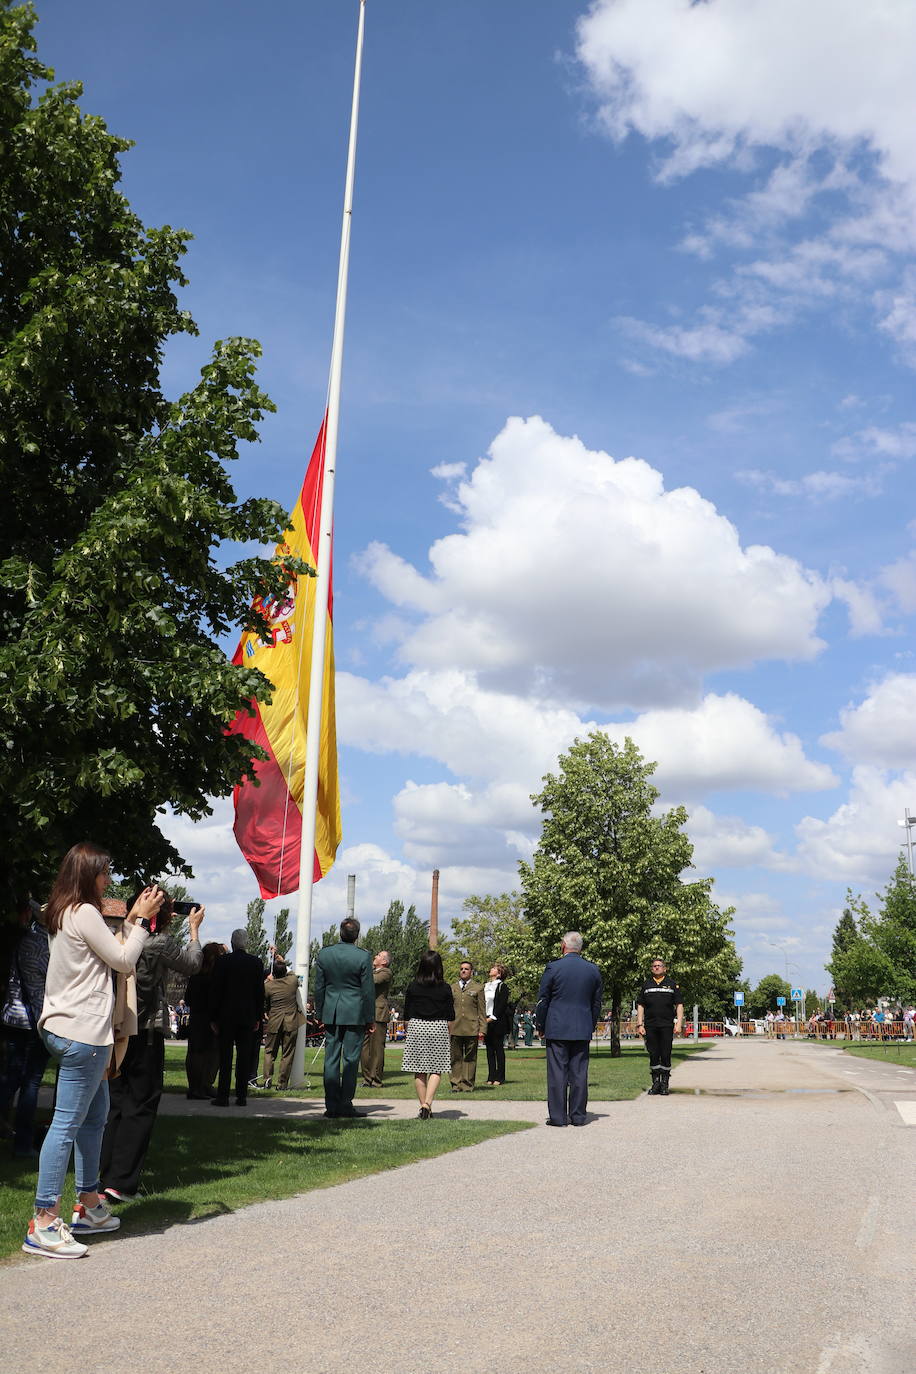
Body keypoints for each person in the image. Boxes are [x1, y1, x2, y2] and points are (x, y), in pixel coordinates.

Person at [23, 842, 163, 1259]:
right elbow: (123, 959)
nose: (108, 880)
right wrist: (141, 923)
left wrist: (135, 916)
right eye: (104, 873)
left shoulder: (61, 911)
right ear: (88, 875)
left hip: (68, 1028)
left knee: (95, 1118)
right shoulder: (83, 911)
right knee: (66, 1125)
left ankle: (89, 1205)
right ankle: (44, 1220)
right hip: (84, 1033)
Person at [99, 895, 203, 1203]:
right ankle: (120, 1182)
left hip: (115, 1031)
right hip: (144, 1031)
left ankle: (100, 1175)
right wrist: (194, 931)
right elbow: (193, 964)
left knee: (113, 1105)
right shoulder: (158, 943)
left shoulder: (114, 935)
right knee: (140, 1106)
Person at [535, 932, 603, 1127]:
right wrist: (590, 1024)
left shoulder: (553, 967)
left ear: (563, 946)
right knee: (579, 1073)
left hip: (557, 1027)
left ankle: (558, 1117)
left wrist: (541, 1025)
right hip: (582, 1027)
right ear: (580, 948)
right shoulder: (593, 970)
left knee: (558, 1073)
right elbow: (596, 1003)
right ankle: (579, 1116)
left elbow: (543, 1001)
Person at [0, 897, 49, 1158]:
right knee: (31, 1081)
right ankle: (22, 1144)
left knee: (12, 1077)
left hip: (13, 1016)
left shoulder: (22, 938)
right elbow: (41, 991)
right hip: (33, 1020)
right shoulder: (43, 945)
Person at [314, 918, 374, 1119]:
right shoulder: (363, 957)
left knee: (331, 1059)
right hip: (355, 1012)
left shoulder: (325, 954)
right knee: (350, 1060)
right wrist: (370, 1018)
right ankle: (346, 1104)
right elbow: (367, 991)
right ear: (357, 935)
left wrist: (320, 1013)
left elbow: (319, 987)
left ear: (340, 933)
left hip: (331, 1011)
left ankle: (331, 1106)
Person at [209, 929, 265, 1107]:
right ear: (246, 943)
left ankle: (223, 1096)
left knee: (225, 1057)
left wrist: (213, 1017)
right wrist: (258, 1016)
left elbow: (216, 990)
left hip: (226, 1016)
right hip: (247, 1016)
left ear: (232, 943)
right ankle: (242, 1096)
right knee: (244, 1057)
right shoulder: (256, 963)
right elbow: (259, 992)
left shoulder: (223, 962)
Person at [402, 950, 455, 1118]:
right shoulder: (445, 988)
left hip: (417, 1026)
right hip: (438, 1027)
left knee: (418, 1070)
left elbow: (406, 1013)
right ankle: (427, 1104)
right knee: (436, 1069)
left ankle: (423, 1105)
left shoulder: (413, 986)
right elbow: (450, 1015)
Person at [635, 957, 684, 1096]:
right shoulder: (646, 985)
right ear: (652, 969)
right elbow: (640, 1005)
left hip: (667, 1025)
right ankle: (655, 1082)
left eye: (659, 965)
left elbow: (679, 1005)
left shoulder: (672, 984)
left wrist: (679, 1023)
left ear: (665, 968)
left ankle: (665, 1084)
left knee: (666, 1054)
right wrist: (640, 1023)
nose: (656, 968)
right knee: (654, 1054)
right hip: (650, 1026)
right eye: (654, 966)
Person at [184, 941, 224, 1098]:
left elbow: (188, 998)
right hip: (209, 1020)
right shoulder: (213, 977)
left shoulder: (196, 975)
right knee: (210, 1054)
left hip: (196, 1018)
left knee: (194, 1054)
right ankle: (204, 1085)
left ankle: (195, 1086)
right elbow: (216, 1000)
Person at [262, 955, 305, 1091]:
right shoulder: (292, 981)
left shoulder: (268, 986)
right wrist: (283, 961)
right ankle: (282, 1084)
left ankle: (267, 1079)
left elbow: (264, 1003)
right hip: (291, 1022)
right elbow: (291, 972)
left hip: (274, 1021)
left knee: (269, 1052)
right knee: (287, 1054)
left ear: (273, 973)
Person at [449, 959, 486, 1092]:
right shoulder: (452, 987)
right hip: (454, 1028)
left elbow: (482, 1011)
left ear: (471, 972)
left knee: (470, 1058)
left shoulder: (478, 987)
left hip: (471, 1028)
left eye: (466, 969)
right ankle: (456, 1084)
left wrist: (483, 1029)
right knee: (455, 1058)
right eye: (461, 969)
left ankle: (467, 1084)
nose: (463, 971)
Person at [360, 950, 392, 1088]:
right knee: (364, 1048)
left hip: (378, 1014)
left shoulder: (385, 972)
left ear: (384, 961)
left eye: (378, 956)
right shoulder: (372, 972)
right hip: (366, 1013)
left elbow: (371, 982)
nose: (375, 957)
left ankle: (376, 1080)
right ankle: (367, 1079)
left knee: (377, 1049)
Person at [483, 963, 511, 1086]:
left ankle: (500, 1077)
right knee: (489, 1050)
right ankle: (491, 1076)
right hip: (486, 1019)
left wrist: (493, 1017)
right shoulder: (486, 985)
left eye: (494, 968)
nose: (491, 969)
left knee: (498, 1049)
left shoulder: (502, 986)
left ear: (499, 973)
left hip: (497, 1021)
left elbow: (502, 1004)